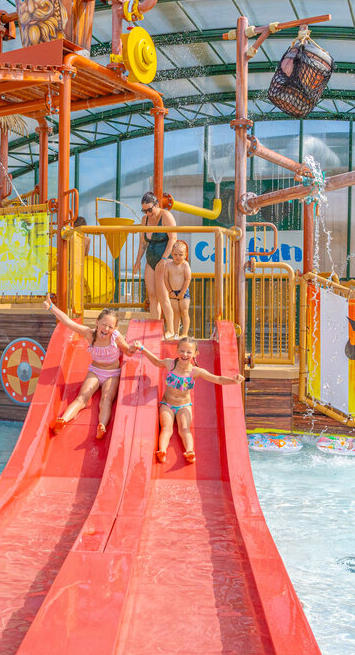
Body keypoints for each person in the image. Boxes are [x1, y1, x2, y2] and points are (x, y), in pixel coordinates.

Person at [134, 336, 244, 464]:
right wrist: (142, 349)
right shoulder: (171, 364)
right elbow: (157, 362)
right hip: (167, 404)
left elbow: (217, 379)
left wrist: (233, 380)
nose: (184, 354)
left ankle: (190, 451)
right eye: (182, 350)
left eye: (189, 352)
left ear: (195, 353)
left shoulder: (195, 371)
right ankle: (162, 451)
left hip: (184, 405)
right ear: (177, 350)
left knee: (184, 428)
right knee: (166, 428)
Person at [42, 297, 134, 439]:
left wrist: (133, 349)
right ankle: (63, 420)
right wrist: (51, 307)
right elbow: (68, 322)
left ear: (114, 328)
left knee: (106, 399)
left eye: (110, 327)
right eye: (104, 325)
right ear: (97, 323)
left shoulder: (115, 337)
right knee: (81, 398)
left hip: (112, 374)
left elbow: (127, 351)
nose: (107, 329)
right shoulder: (89, 334)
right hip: (95, 372)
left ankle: (101, 425)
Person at [132, 192, 177, 337]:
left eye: (150, 209)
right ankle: (155, 327)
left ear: (157, 205)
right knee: (152, 295)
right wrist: (138, 260)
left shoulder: (166, 216)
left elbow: (173, 239)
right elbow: (143, 242)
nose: (147, 213)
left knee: (163, 295)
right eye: (144, 210)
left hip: (164, 258)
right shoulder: (145, 219)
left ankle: (170, 329)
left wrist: (164, 259)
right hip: (150, 259)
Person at [163, 240, 192, 340]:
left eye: (180, 254)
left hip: (183, 292)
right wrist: (170, 291)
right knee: (176, 313)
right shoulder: (168, 265)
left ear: (185, 255)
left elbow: (188, 279)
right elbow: (165, 279)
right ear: (171, 254)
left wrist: (183, 292)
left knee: (184, 312)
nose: (177, 257)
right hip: (172, 293)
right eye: (175, 254)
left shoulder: (185, 265)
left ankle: (185, 333)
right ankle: (175, 333)